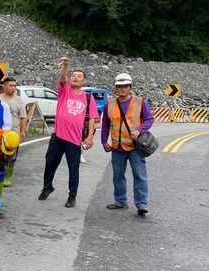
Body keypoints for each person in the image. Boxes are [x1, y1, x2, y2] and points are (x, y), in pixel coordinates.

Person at [39, 56, 98, 208]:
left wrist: (90, 137)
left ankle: (72, 196)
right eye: (73, 75)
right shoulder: (64, 91)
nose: (75, 78)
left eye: (79, 76)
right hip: (58, 136)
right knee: (50, 163)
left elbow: (92, 119)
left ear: (83, 81)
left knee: (73, 169)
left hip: (74, 140)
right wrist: (65, 66)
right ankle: (47, 187)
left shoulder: (88, 98)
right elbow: (62, 79)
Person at [101, 73, 154, 215]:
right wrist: (103, 141)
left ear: (130, 87)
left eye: (125, 86)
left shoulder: (140, 102)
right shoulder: (109, 104)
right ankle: (120, 201)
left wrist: (139, 130)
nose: (122, 89)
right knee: (118, 175)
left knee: (140, 175)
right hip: (117, 147)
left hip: (135, 147)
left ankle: (142, 203)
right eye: (119, 86)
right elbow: (105, 124)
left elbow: (149, 119)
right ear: (115, 88)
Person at [0, 77, 27, 187]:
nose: (13, 88)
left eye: (15, 86)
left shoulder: (19, 100)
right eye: (11, 85)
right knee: (0, 154)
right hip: (0, 132)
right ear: (5, 86)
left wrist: (23, 130)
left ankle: (8, 176)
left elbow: (23, 117)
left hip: (14, 132)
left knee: (12, 156)